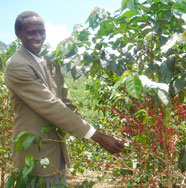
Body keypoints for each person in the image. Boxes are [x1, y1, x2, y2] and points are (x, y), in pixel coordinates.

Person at [4, 10, 124, 187]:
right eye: (31, 32)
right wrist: (97, 136)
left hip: (55, 146)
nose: (38, 37)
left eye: (41, 32)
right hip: (34, 151)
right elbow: (51, 106)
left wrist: (93, 130)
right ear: (18, 34)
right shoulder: (17, 65)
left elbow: (67, 104)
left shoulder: (49, 62)